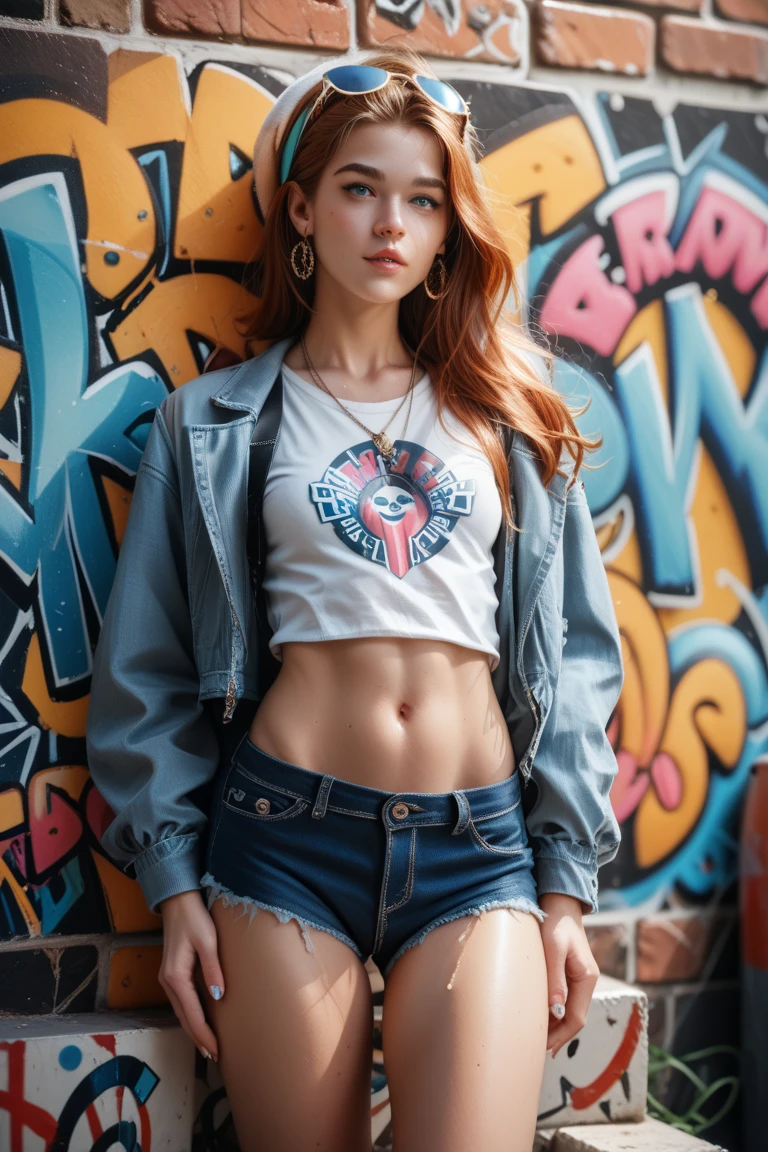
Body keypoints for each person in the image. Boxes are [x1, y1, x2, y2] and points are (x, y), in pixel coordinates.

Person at [85, 44, 624, 1152]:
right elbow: (146, 671)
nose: (392, 223)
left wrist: (564, 888)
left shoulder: (507, 419)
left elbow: (576, 668)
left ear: (445, 230)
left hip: (480, 851)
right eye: (360, 189)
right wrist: (176, 884)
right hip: (285, 840)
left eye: (424, 200)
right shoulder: (217, 423)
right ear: (300, 209)